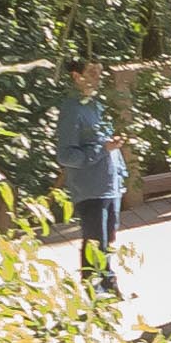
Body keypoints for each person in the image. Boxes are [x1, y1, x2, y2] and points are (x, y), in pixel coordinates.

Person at [55, 58, 126, 291]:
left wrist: (119, 168)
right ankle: (94, 290)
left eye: (99, 72)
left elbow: (105, 143)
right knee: (95, 242)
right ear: (77, 76)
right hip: (90, 188)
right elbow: (66, 155)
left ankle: (105, 285)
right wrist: (100, 150)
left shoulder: (95, 105)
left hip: (109, 182)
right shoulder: (72, 110)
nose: (98, 77)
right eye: (92, 72)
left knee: (108, 241)